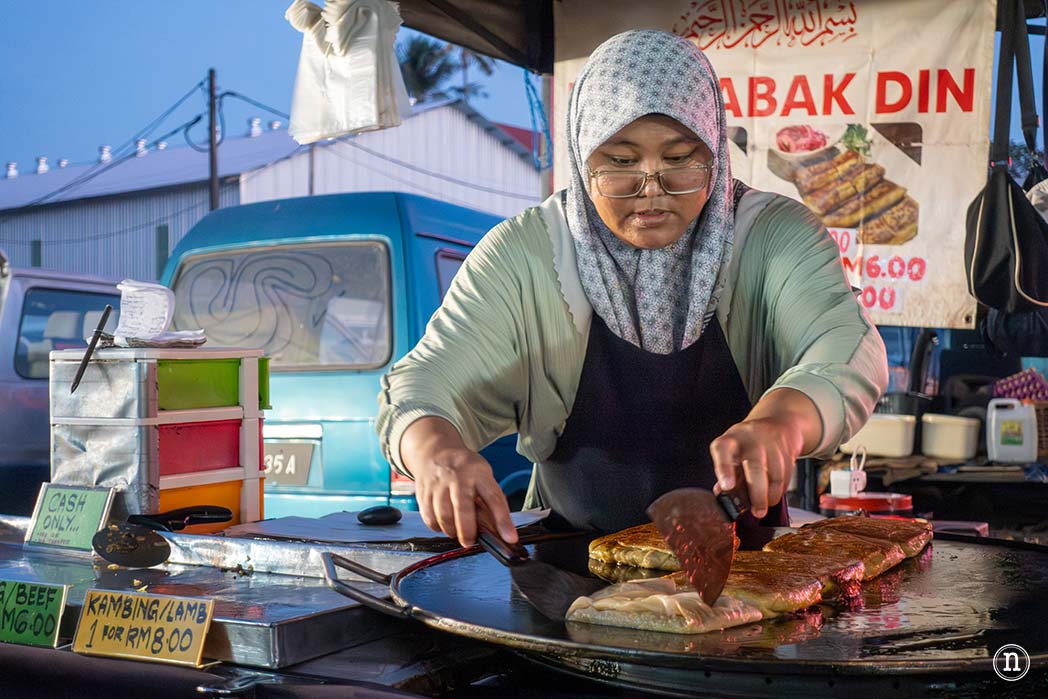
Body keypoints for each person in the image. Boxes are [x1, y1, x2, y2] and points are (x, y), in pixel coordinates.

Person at [376, 29, 887, 547]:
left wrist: (782, 421)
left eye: (681, 158)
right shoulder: (526, 253)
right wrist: (436, 450)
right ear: (581, 155)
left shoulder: (773, 236)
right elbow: (427, 381)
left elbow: (847, 347)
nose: (651, 189)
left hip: (753, 568)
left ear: (714, 148)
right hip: (567, 568)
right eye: (619, 161)